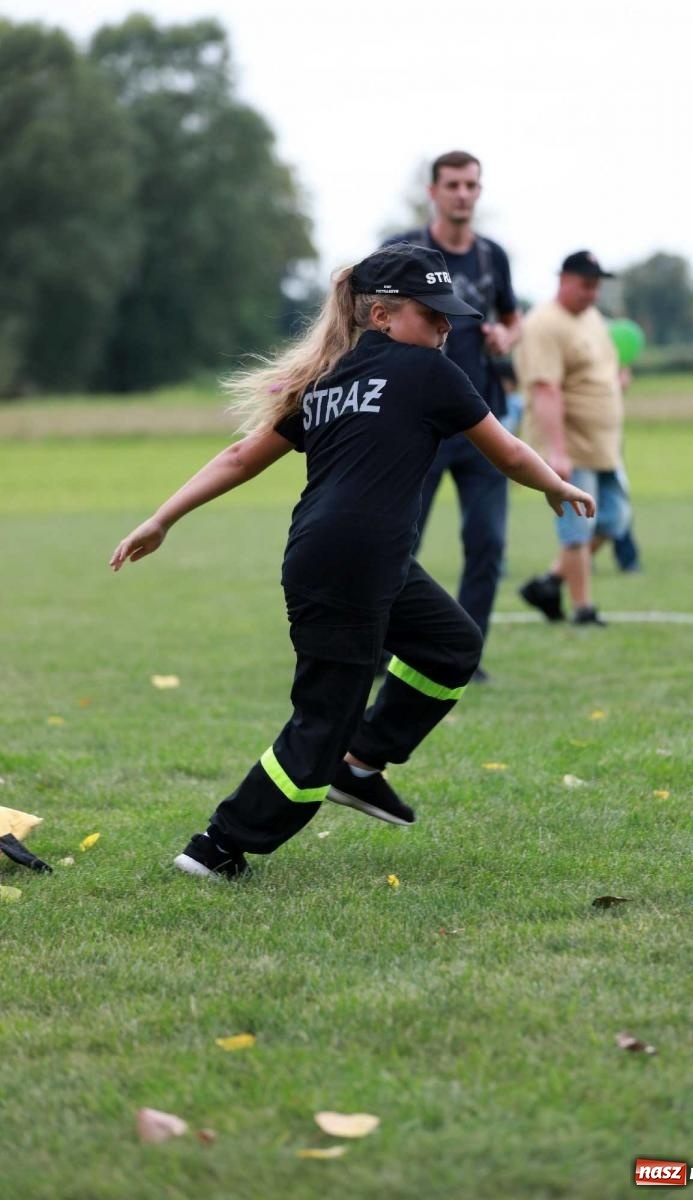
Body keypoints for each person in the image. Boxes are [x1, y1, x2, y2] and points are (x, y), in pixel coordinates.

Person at [109, 243, 594, 879]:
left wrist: (163, 517)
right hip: (354, 565)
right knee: (321, 724)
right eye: (433, 314)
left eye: (451, 315)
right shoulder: (429, 374)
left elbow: (236, 459)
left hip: (338, 556)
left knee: (450, 646)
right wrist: (555, 486)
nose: (447, 326)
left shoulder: (327, 379)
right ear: (383, 316)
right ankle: (217, 846)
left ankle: (361, 764)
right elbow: (504, 452)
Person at [383, 150, 523, 679]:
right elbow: (360, 315)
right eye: (453, 185)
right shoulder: (402, 253)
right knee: (398, 539)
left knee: (486, 544)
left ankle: (466, 653)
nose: (463, 193)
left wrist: (504, 337)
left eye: (471, 185)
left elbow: (514, 318)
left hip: (481, 422)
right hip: (415, 426)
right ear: (433, 192)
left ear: (478, 192)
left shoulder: (493, 258)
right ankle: (381, 643)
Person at [515, 249, 633, 626]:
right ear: (564, 280)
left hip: (604, 446)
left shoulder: (592, 317)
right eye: (586, 285)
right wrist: (556, 451)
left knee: (613, 521)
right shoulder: (544, 324)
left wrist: (616, 382)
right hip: (571, 446)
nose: (592, 293)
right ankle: (584, 609)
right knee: (577, 529)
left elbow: (601, 366)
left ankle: (549, 583)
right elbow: (545, 389)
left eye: (596, 286)